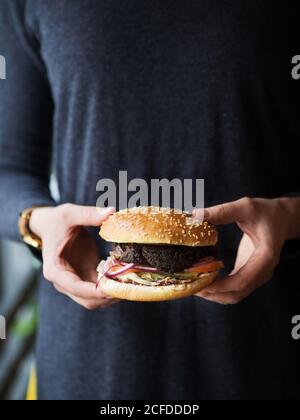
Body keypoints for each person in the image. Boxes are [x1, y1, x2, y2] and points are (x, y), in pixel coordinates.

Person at [0, 0, 300, 400]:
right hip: (87, 368)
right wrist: (38, 221)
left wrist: (289, 216)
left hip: (264, 357)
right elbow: (7, 165)